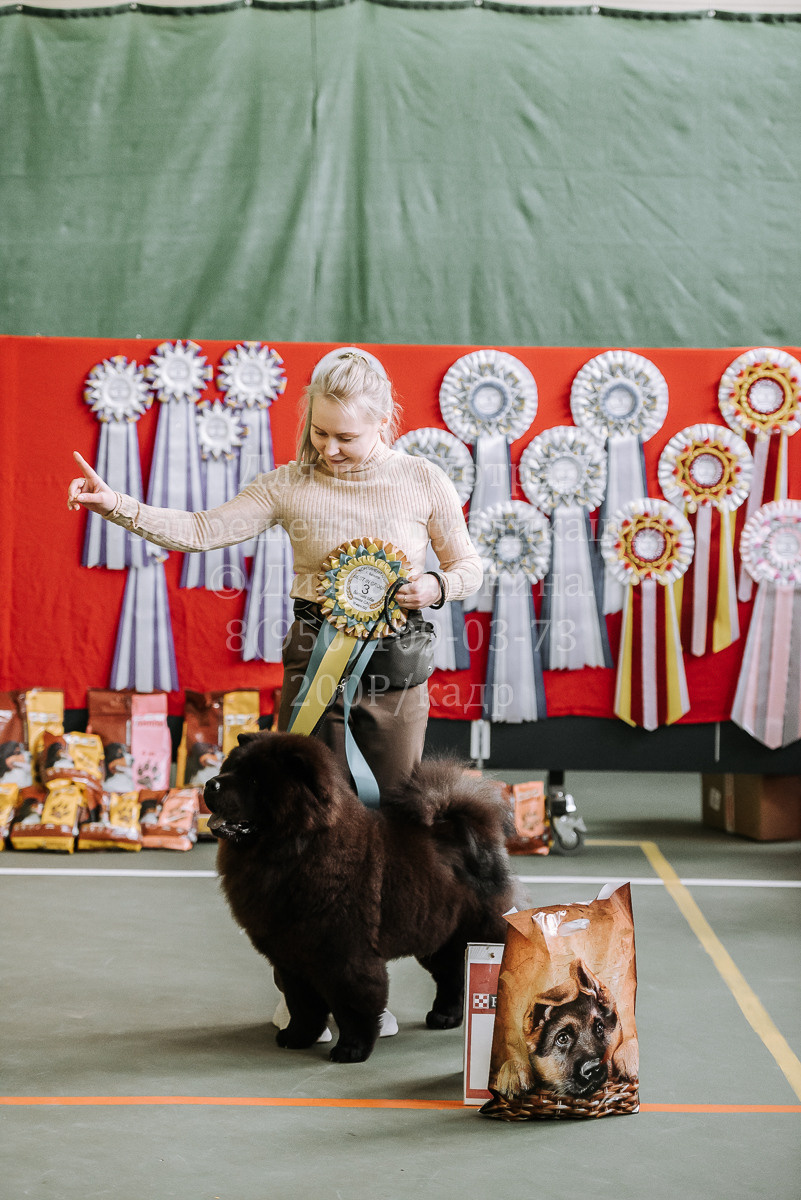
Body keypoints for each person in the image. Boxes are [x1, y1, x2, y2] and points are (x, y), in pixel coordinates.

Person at [68, 350, 484, 1038]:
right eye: (319, 432)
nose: (329, 447)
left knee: (400, 832)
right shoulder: (288, 483)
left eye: (345, 436)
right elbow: (201, 531)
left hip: (396, 673)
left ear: (384, 420)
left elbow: (467, 563)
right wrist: (113, 503)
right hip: (313, 670)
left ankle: (413, 976)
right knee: (301, 826)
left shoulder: (421, 479)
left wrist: (436, 586)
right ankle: (303, 990)